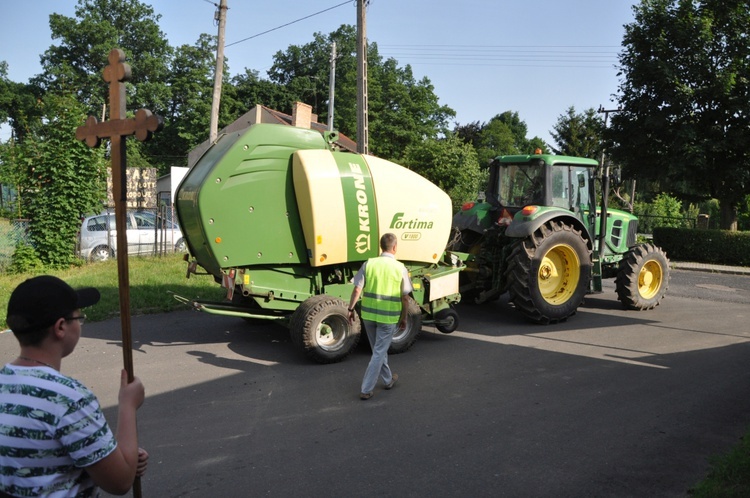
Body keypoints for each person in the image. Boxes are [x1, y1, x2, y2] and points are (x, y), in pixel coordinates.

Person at [0, 275, 148, 497]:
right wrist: (127, 405)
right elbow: (120, 481)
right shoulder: (68, 399)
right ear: (61, 327)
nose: (80, 323)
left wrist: (112, 453)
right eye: (79, 317)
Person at [348, 233, 413, 400]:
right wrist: (404, 318)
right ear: (395, 247)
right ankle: (366, 389)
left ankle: (388, 379)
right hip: (388, 318)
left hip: (369, 315)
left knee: (378, 349)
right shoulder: (400, 268)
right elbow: (405, 297)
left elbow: (357, 289)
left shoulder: (369, 264)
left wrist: (350, 309)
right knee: (378, 352)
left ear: (381, 247)